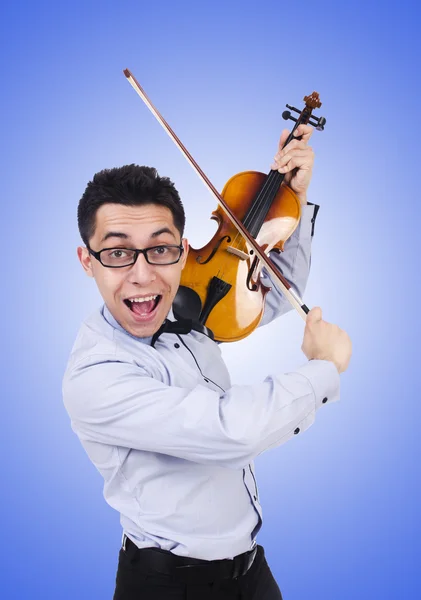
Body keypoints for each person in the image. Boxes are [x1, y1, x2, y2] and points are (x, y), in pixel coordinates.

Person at [62, 124, 352, 600]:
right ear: (87, 260)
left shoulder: (187, 312)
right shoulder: (95, 377)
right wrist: (323, 370)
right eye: (117, 252)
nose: (142, 275)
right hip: (168, 586)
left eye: (160, 248)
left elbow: (273, 293)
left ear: (183, 250)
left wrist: (293, 199)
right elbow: (227, 431)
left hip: (253, 573)